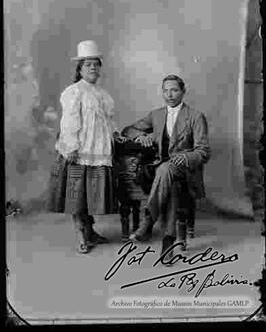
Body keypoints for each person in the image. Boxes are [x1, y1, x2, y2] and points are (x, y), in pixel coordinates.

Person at [122, 74, 211, 257]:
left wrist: (186, 158)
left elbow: (203, 152)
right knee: (169, 182)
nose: (169, 95)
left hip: (185, 169)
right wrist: (144, 137)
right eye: (166, 90)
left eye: (174, 90)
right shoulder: (157, 114)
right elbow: (129, 130)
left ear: (183, 92)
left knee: (166, 170)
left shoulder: (195, 116)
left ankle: (148, 220)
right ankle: (168, 244)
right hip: (162, 170)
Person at [55, 40, 126, 254]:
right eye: (88, 65)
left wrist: (115, 133)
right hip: (79, 151)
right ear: (79, 69)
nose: (93, 68)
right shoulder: (74, 92)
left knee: (90, 193)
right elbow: (69, 122)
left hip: (98, 151)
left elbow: (108, 121)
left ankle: (90, 230)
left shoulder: (102, 94)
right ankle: (81, 234)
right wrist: (72, 147)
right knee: (77, 194)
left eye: (96, 64)